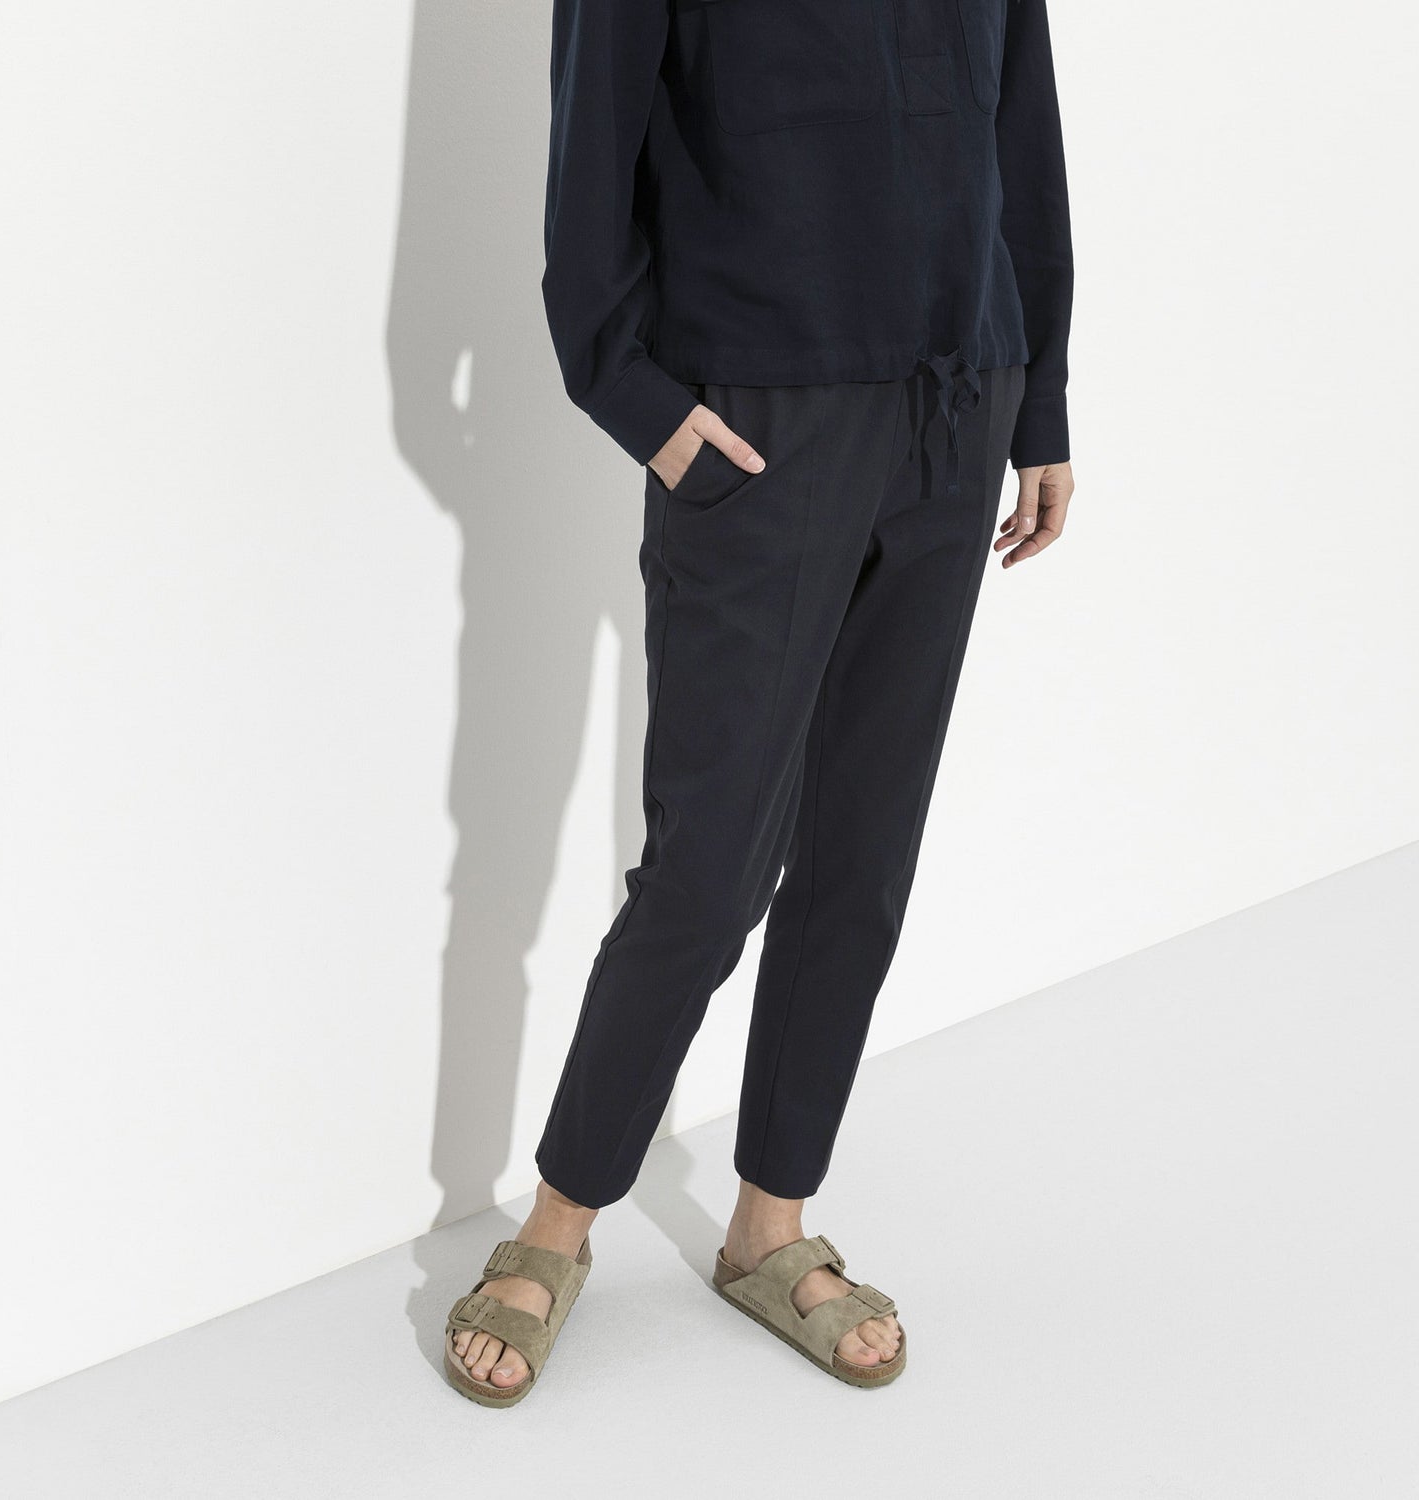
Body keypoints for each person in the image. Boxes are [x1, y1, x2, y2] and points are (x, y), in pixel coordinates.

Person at [445, 0, 1075, 1405]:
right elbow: (589, 161)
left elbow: (1021, 130)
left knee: (863, 853)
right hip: (759, 422)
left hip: (958, 401)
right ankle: (558, 1221)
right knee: (711, 867)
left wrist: (1038, 399)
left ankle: (770, 1224)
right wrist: (638, 398)